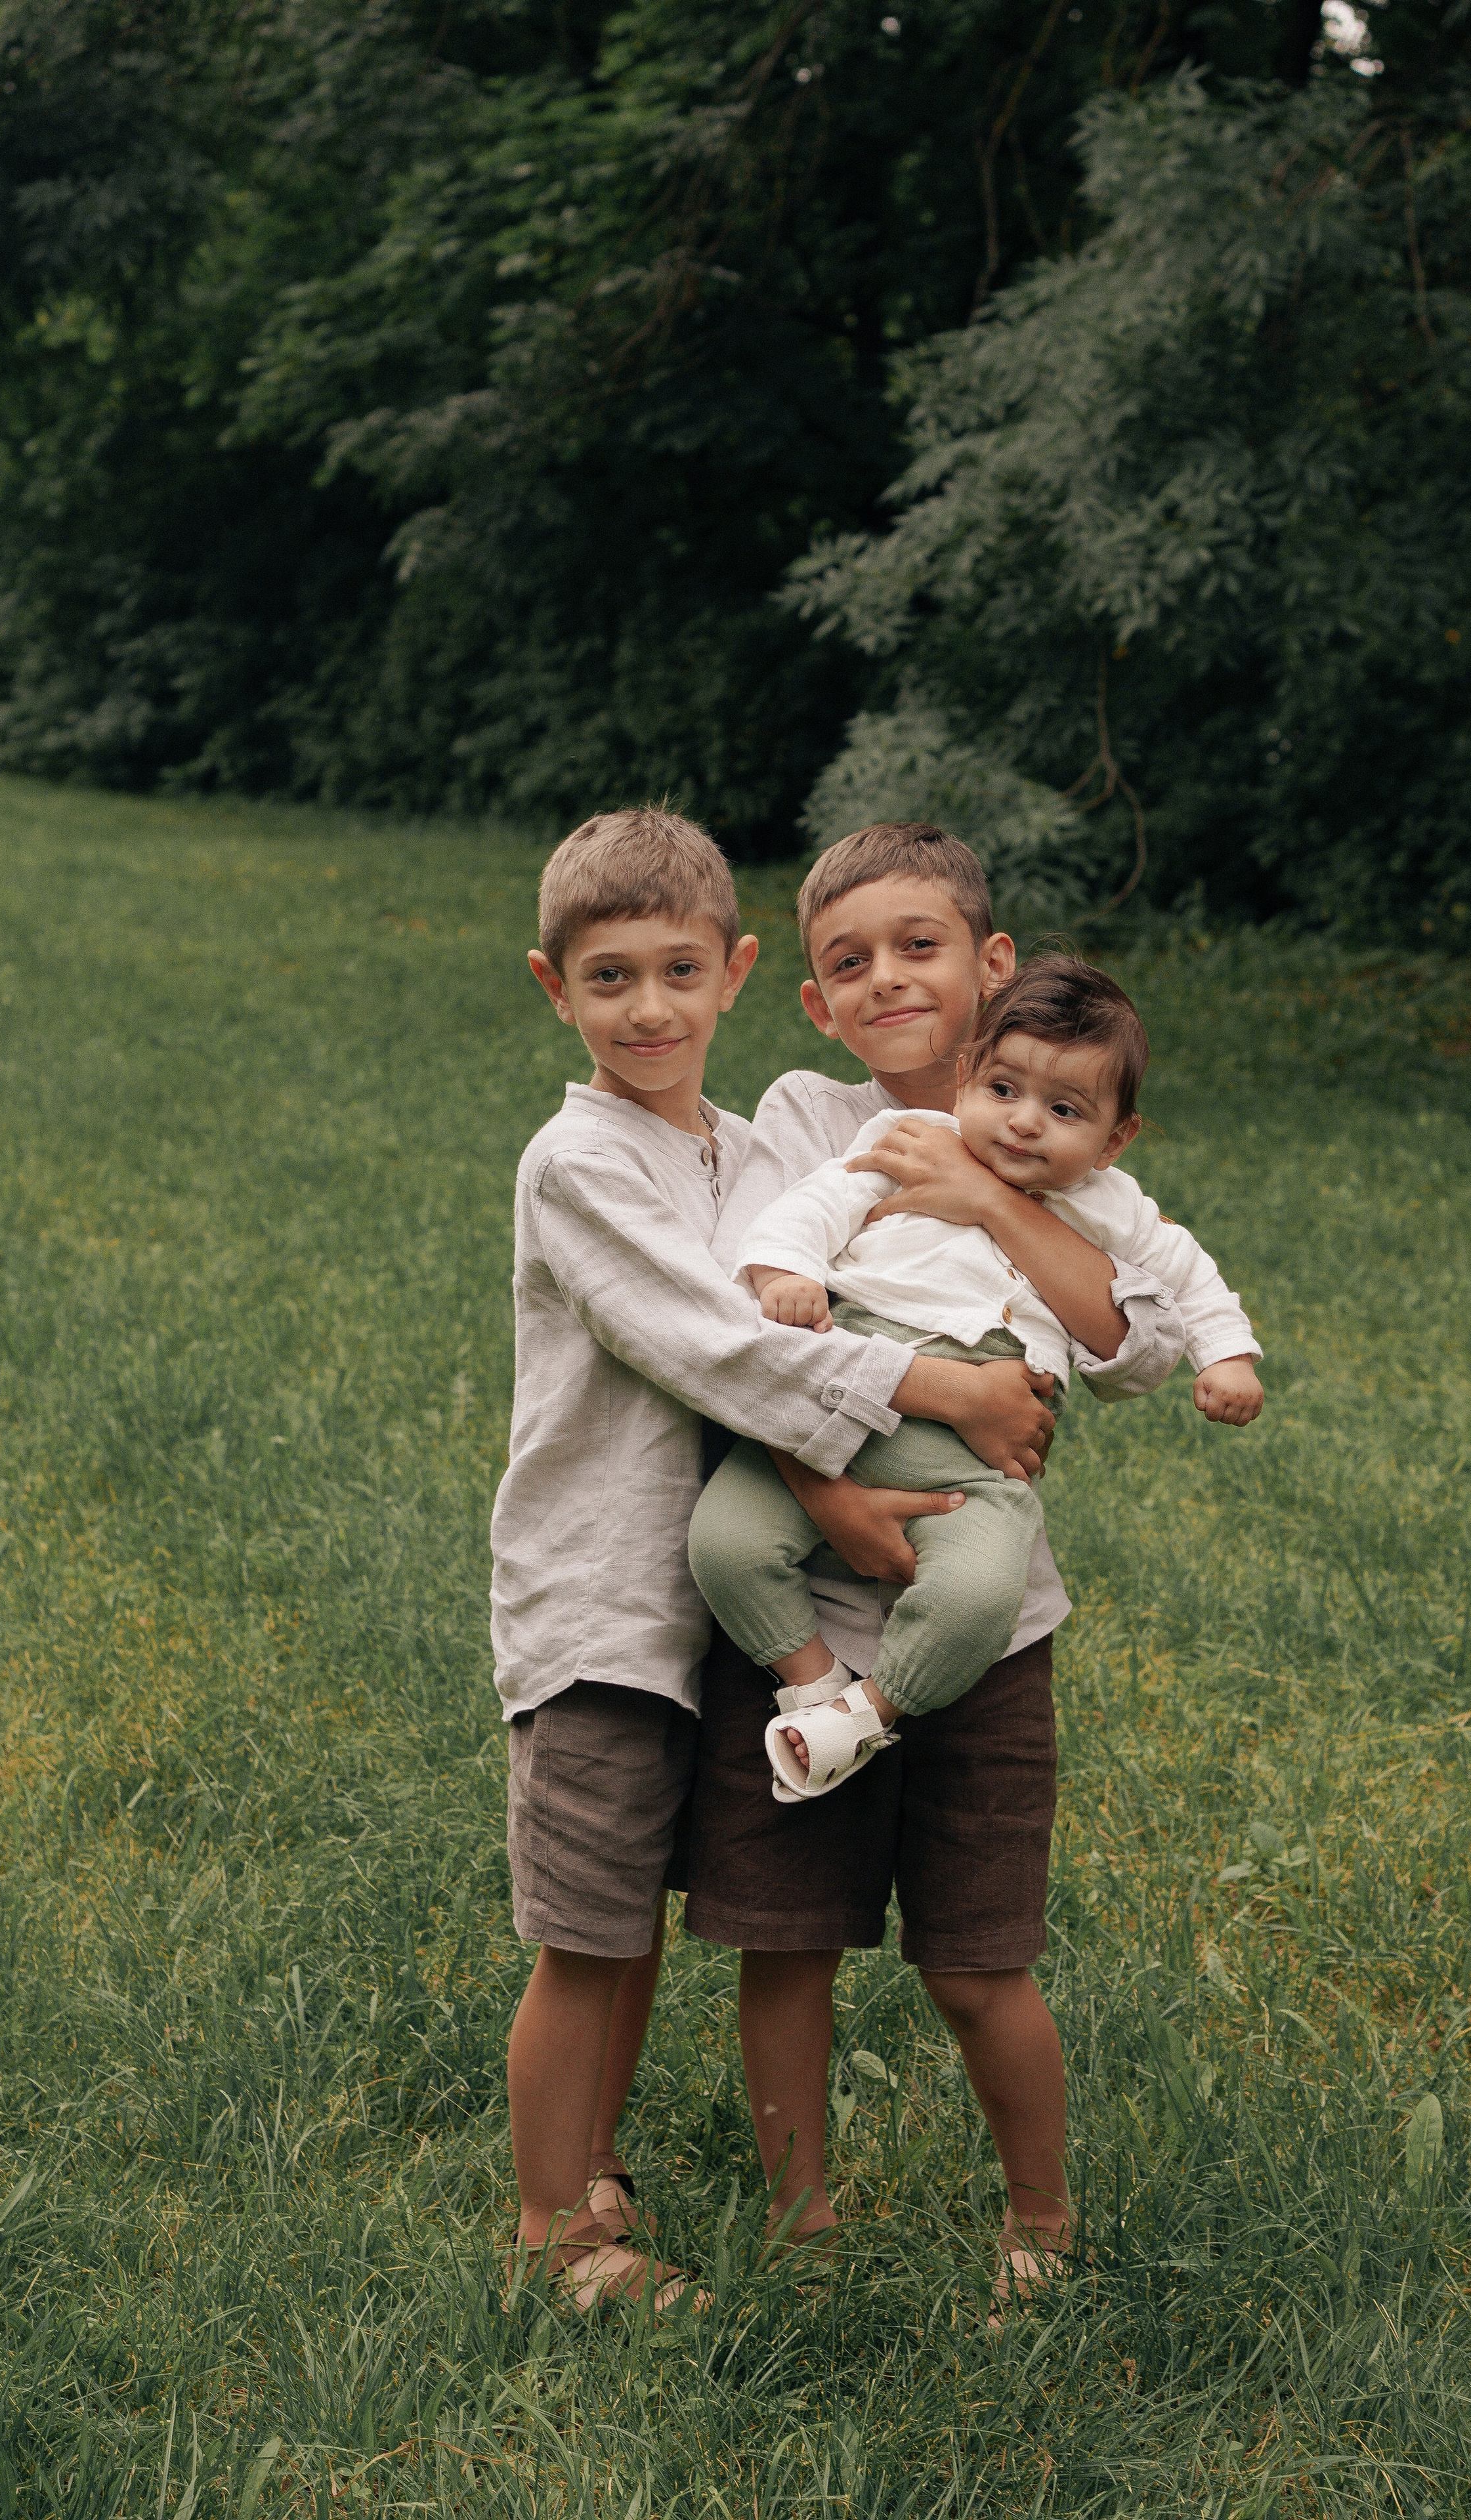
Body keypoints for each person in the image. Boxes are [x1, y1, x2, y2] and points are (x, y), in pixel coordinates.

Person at [683, 822, 1260, 2307]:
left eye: (920, 946)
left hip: (988, 1617)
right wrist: (832, 1482)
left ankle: (1040, 2223)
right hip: (808, 1591)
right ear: (812, 998)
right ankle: (798, 2226)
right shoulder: (807, 1117)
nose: (888, 978)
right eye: (849, 960)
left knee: (977, 1958)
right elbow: (749, 1328)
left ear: (991, 965)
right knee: (789, 1938)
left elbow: (1129, 1353)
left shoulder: (1047, 1125)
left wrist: (991, 1198)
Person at [492, 806, 1059, 2311]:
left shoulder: (739, 1149)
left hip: (701, 1604)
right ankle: (557, 2236)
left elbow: (807, 1304)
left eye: (679, 972)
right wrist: (940, 1398)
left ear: (734, 974)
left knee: (631, 1925)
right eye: (609, 979)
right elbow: (719, 1348)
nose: (651, 1009)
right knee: (586, 1926)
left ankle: (592, 2171)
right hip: (602, 1598)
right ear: (554, 988)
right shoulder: (581, 1163)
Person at [688, 950, 1262, 1800]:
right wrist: (786, 1272)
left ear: (1115, 1138)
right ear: (967, 1081)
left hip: (978, 1465)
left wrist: (1228, 1356)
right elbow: (816, 1205)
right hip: (844, 1401)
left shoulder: (1112, 1206)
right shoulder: (908, 1140)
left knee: (981, 1595)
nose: (1025, 1121)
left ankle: (869, 1715)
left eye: (1063, 1109)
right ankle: (813, 1689)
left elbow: (1185, 1277)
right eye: (1004, 1091)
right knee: (724, 1542)